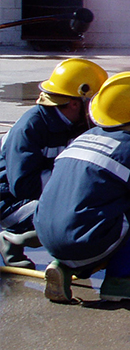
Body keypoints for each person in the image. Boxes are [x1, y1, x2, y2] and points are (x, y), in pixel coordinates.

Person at [34, 72, 130, 303]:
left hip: (47, 235)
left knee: (98, 210)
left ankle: (62, 267)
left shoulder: (86, 136)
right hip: (82, 240)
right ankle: (119, 282)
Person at [0, 58, 108, 269]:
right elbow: (23, 186)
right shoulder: (31, 127)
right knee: (80, 217)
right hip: (10, 202)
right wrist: (72, 177)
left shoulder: (75, 123)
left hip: (45, 196)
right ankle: (13, 239)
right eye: (93, 102)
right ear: (76, 102)